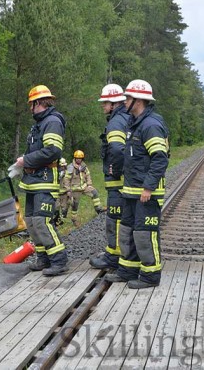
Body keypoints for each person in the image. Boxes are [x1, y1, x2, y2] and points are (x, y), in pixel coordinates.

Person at [104, 79, 169, 289]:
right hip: (131, 191)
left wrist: (149, 187)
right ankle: (128, 269)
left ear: (139, 100)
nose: (124, 102)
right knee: (127, 230)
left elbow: (160, 157)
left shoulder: (150, 125)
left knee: (144, 233)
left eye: (128, 98)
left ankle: (150, 275)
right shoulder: (135, 123)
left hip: (145, 192)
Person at [15, 85, 68, 276]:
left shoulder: (52, 122)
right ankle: (43, 258)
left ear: (38, 103)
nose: (30, 108)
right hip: (33, 181)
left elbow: (53, 150)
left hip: (45, 181)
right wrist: (24, 161)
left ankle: (58, 260)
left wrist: (26, 160)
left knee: (41, 221)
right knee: (30, 221)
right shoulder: (39, 123)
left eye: (31, 104)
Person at [89, 84, 130, 271]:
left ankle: (114, 258)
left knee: (115, 219)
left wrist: (116, 169)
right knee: (123, 219)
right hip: (126, 181)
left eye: (105, 102)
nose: (102, 106)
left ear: (113, 103)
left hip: (118, 182)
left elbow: (116, 149)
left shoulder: (116, 122)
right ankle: (120, 255)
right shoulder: (127, 118)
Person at [62, 150, 104, 226]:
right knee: (74, 205)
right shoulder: (70, 167)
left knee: (94, 192)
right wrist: (68, 190)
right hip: (75, 189)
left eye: (80, 158)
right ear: (75, 158)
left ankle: (98, 209)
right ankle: (73, 219)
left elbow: (88, 175)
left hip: (84, 187)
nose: (79, 160)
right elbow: (66, 179)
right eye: (77, 158)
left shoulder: (84, 166)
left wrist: (89, 184)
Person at [52, 157, 69, 226]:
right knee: (56, 207)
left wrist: (69, 191)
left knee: (64, 207)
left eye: (63, 166)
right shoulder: (55, 173)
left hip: (64, 193)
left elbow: (68, 183)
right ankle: (56, 220)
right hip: (57, 193)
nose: (62, 168)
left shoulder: (67, 174)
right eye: (61, 166)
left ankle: (62, 220)